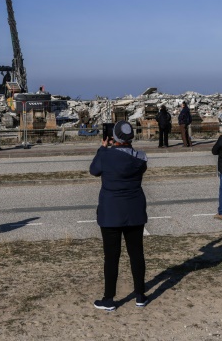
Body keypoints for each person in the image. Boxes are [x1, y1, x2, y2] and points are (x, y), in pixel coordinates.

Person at [89, 120, 149, 311]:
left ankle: (109, 299)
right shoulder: (141, 157)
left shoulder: (105, 156)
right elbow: (133, 160)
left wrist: (102, 148)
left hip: (111, 212)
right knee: (136, 254)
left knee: (111, 257)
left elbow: (93, 170)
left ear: (113, 137)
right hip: (134, 211)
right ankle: (140, 295)